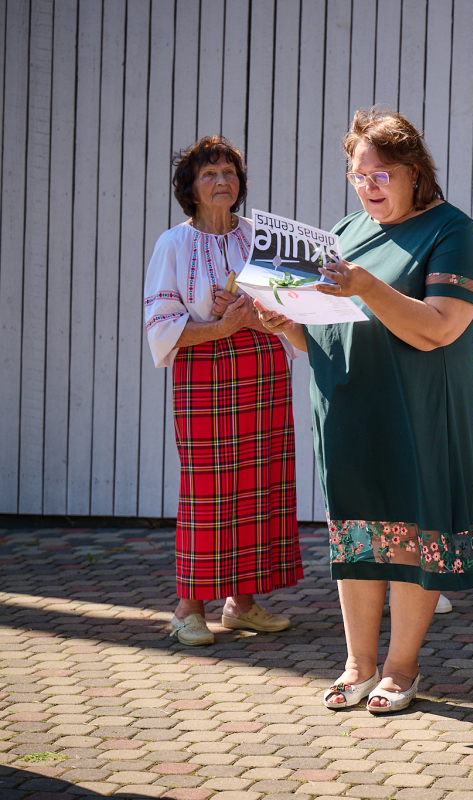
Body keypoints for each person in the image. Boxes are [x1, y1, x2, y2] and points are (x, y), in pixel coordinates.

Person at [256, 107, 473, 714]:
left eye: (381, 174)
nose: (369, 187)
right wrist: (288, 326)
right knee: (357, 531)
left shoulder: (451, 229)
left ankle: (400, 667)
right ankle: (357, 663)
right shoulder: (345, 233)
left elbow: (440, 328)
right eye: (359, 176)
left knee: (409, 527)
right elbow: (326, 336)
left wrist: (366, 287)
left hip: (418, 408)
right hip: (349, 405)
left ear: (414, 171)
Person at [143, 135, 301, 647]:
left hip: (262, 367)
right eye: (209, 173)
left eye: (230, 172)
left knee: (260, 480)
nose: (222, 181)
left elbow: (295, 310)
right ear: (189, 187)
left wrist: (253, 316)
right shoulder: (173, 243)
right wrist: (218, 327)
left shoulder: (262, 236)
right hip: (204, 369)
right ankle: (188, 608)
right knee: (208, 487)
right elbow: (160, 325)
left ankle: (243, 603)